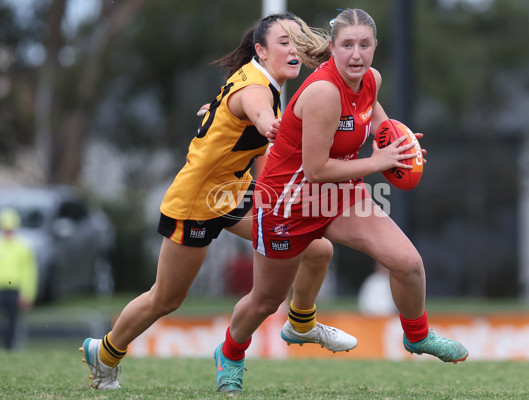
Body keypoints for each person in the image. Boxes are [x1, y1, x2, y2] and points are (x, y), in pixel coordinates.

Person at [79, 12, 356, 390]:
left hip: (232, 193)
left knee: (318, 249)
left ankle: (301, 324)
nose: (293, 50)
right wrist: (271, 125)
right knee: (166, 298)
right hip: (196, 201)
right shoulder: (258, 90)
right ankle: (106, 352)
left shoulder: (261, 80)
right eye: (283, 42)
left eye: (297, 41)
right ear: (260, 50)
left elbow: (240, 121)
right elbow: (258, 113)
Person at [214, 8, 468, 393]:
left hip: (340, 195)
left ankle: (417, 336)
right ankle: (230, 353)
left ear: (374, 47)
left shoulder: (370, 80)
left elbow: (374, 115)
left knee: (408, 263)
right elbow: (315, 170)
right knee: (265, 301)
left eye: (364, 45)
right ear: (332, 48)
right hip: (288, 203)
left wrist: (396, 141)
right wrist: (379, 161)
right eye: (347, 45)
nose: (356, 54)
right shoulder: (323, 93)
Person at [0, 207, 38, 350]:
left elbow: (30, 273)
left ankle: (9, 349)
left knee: (12, 323)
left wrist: (27, 294)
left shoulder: (23, 247)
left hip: (15, 291)